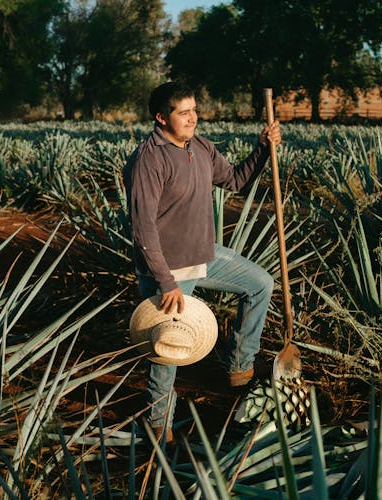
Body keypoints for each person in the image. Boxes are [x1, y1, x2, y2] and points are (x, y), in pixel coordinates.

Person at [122, 81, 281, 442]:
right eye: (183, 112)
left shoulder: (200, 147)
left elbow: (237, 181)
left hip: (203, 254)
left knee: (260, 284)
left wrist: (263, 148)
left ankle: (239, 364)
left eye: (194, 109)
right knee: (168, 350)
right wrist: (166, 282)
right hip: (169, 269)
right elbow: (142, 228)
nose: (192, 117)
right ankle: (158, 425)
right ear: (162, 117)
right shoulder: (150, 158)